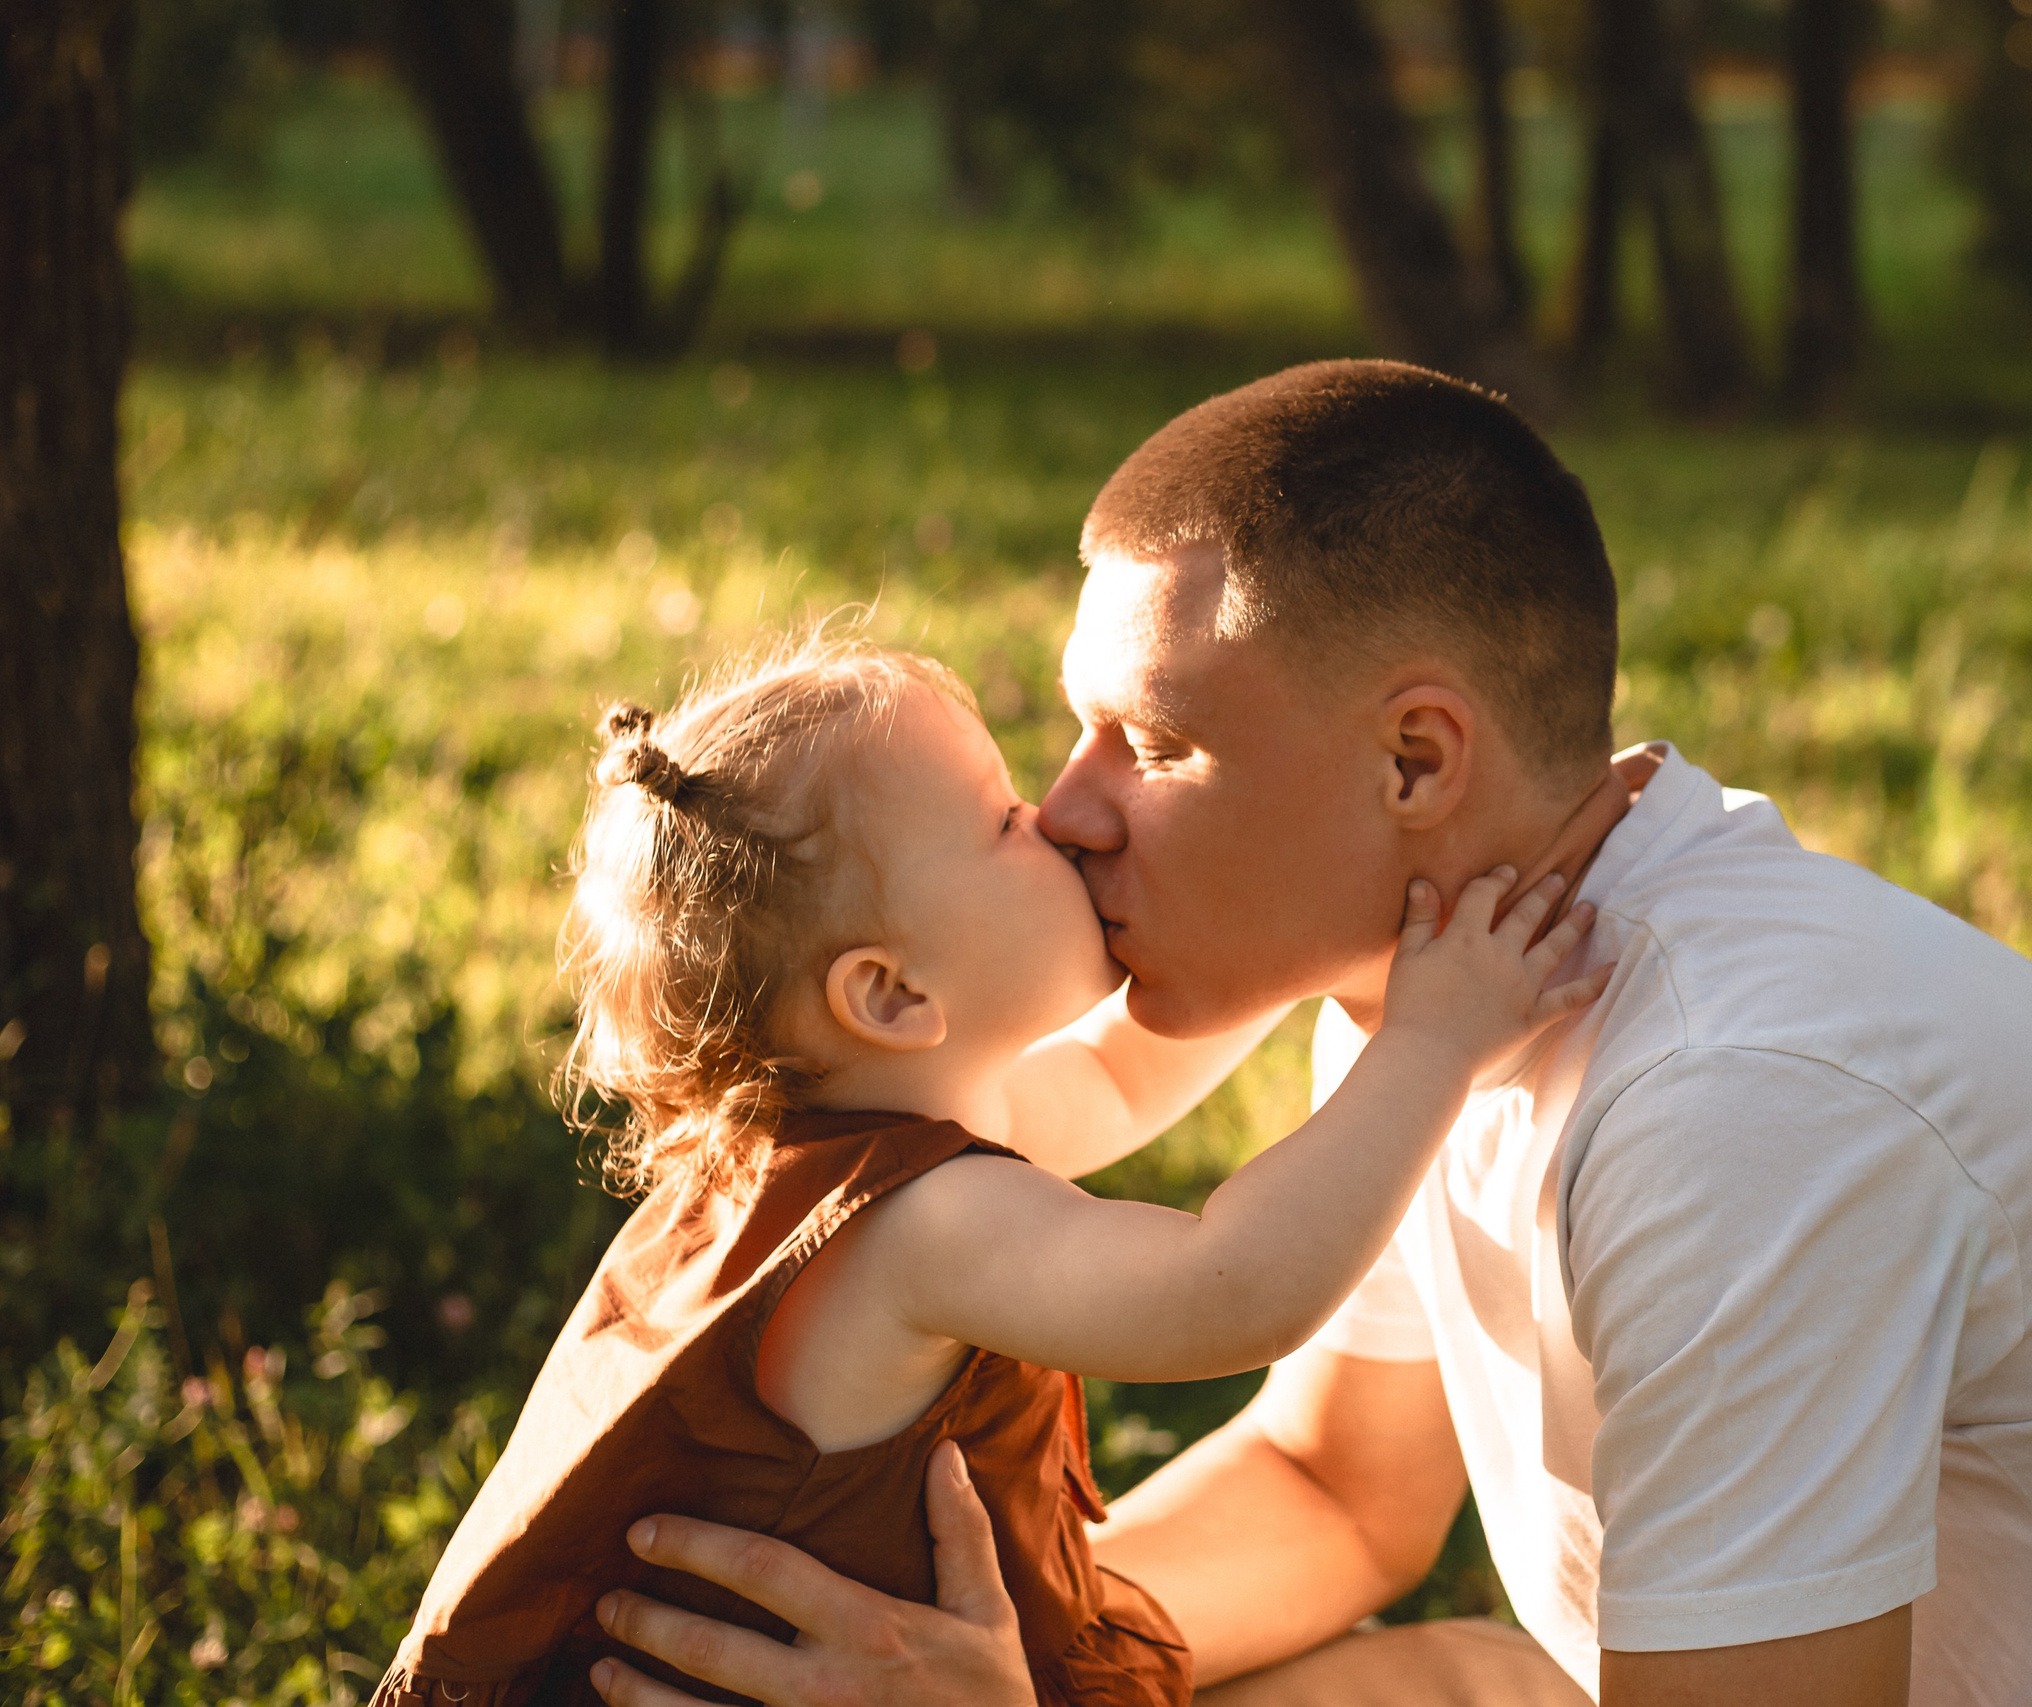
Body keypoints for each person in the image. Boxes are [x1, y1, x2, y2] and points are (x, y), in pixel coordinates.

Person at [583, 361, 2032, 1707]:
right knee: (1419, 1677)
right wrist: (965, 1652)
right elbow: (1332, 1489)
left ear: (1415, 760)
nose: (1068, 816)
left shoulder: (1736, 1102)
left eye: (1147, 742)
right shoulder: (1442, 975)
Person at [368, 636, 1606, 1707]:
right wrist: (1433, 1042)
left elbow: (1121, 1080)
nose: (1061, 820)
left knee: (1481, 1676)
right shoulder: (929, 1228)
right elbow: (1235, 1288)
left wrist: (1308, 910)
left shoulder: (824, 1160)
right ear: (895, 994)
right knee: (1485, 1683)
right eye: (1005, 820)